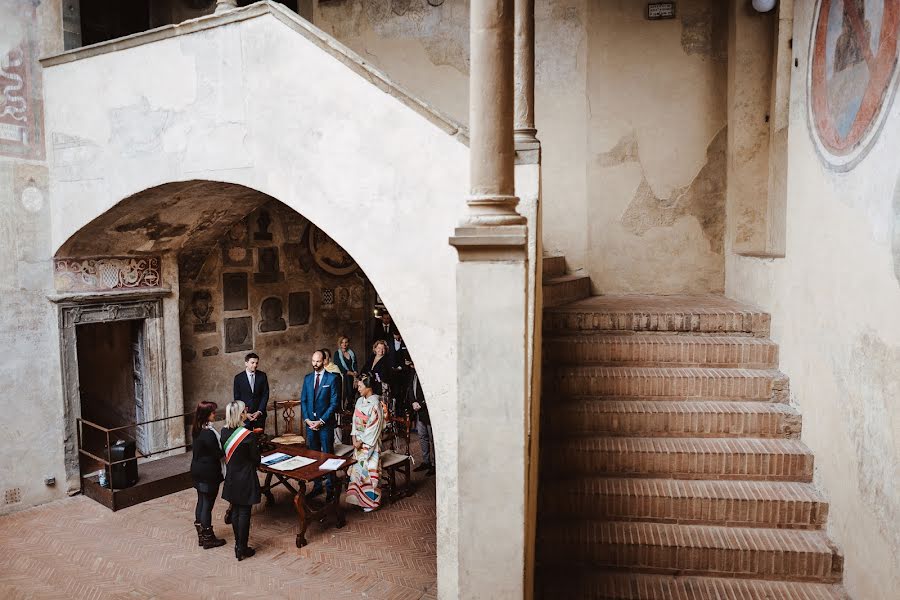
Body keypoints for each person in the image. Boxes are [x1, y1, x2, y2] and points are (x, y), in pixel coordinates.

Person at [220, 401, 261, 561]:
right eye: (245, 411)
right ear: (240, 414)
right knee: (244, 513)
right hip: (246, 478)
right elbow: (256, 459)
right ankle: (242, 547)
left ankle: (238, 545)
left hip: (231, 477)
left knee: (236, 510)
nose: (247, 412)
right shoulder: (247, 435)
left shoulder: (223, 432)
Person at [300, 350, 340, 499]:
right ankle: (317, 486)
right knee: (314, 455)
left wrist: (322, 421)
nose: (315, 364)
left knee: (328, 456)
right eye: (313, 361)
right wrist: (307, 420)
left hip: (325, 425)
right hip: (310, 425)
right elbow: (303, 400)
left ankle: (330, 489)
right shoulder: (307, 378)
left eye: (317, 361)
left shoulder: (332, 379)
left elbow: (334, 403)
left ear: (324, 361)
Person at [190, 401, 227, 549]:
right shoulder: (208, 434)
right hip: (208, 473)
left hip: (197, 469)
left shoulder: (197, 429)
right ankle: (208, 538)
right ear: (206, 415)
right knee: (207, 505)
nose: (214, 414)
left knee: (201, 501)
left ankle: (201, 534)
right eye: (212, 412)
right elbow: (218, 453)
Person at [346, 373, 385, 512]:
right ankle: (359, 498)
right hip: (358, 441)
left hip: (370, 443)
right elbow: (355, 421)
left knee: (369, 471)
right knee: (358, 471)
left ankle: (371, 502)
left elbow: (374, 426)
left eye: (360, 386)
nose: (358, 388)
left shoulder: (376, 404)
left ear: (368, 387)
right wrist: (354, 437)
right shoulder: (359, 401)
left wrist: (361, 441)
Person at [407, 364, 435, 476]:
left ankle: (434, 464)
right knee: (422, 437)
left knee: (432, 439)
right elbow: (410, 389)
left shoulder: (430, 373)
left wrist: (421, 405)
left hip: (428, 411)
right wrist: (413, 401)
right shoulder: (414, 372)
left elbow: (432, 392)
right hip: (418, 411)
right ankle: (426, 461)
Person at [233, 353, 269, 432]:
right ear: (246, 363)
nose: (255, 365)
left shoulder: (262, 376)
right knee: (246, 440)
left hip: (259, 415)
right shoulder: (238, 378)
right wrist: (245, 414)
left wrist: (259, 411)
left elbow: (265, 395)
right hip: (245, 416)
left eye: (256, 363)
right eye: (252, 363)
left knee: (260, 440)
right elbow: (237, 398)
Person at [334, 335, 359, 410]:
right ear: (340, 344)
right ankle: (345, 408)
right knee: (347, 385)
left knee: (359, 384)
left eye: (346, 342)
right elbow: (340, 367)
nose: (344, 344)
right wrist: (352, 374)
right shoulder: (337, 354)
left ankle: (351, 406)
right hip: (343, 376)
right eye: (342, 342)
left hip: (353, 375)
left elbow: (355, 364)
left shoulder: (351, 353)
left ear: (348, 343)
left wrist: (355, 373)